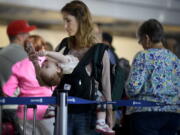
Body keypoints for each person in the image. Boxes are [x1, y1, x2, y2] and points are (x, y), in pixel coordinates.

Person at [55, 1, 114, 135]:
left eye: (68, 21)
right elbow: (51, 78)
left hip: (89, 115)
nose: (65, 26)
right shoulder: (64, 45)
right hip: (63, 111)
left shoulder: (99, 51)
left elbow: (105, 85)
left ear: (81, 20)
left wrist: (110, 113)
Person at [125, 19, 180, 135]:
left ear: (147, 38)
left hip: (146, 114)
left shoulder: (143, 56)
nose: (142, 46)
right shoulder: (174, 59)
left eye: (141, 42)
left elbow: (132, 88)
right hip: (173, 115)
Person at [2, 35, 55, 135]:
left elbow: (7, 92)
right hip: (47, 113)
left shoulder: (19, 66)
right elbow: (56, 85)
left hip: (25, 113)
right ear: (43, 47)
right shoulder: (50, 64)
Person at [0, 20, 36, 91]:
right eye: (27, 34)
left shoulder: (7, 50)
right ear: (19, 36)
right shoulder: (17, 52)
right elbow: (36, 75)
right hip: (15, 100)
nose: (29, 36)